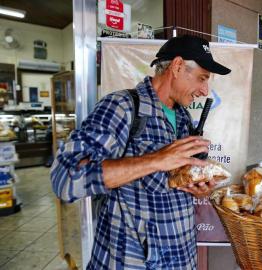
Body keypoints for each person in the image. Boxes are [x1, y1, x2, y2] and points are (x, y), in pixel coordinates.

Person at [50, 35, 231, 269]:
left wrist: (198, 190)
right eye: (202, 78)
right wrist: (155, 160)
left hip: (181, 256)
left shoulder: (184, 117)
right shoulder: (121, 107)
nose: (205, 90)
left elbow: (179, 183)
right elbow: (65, 179)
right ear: (177, 66)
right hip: (131, 260)